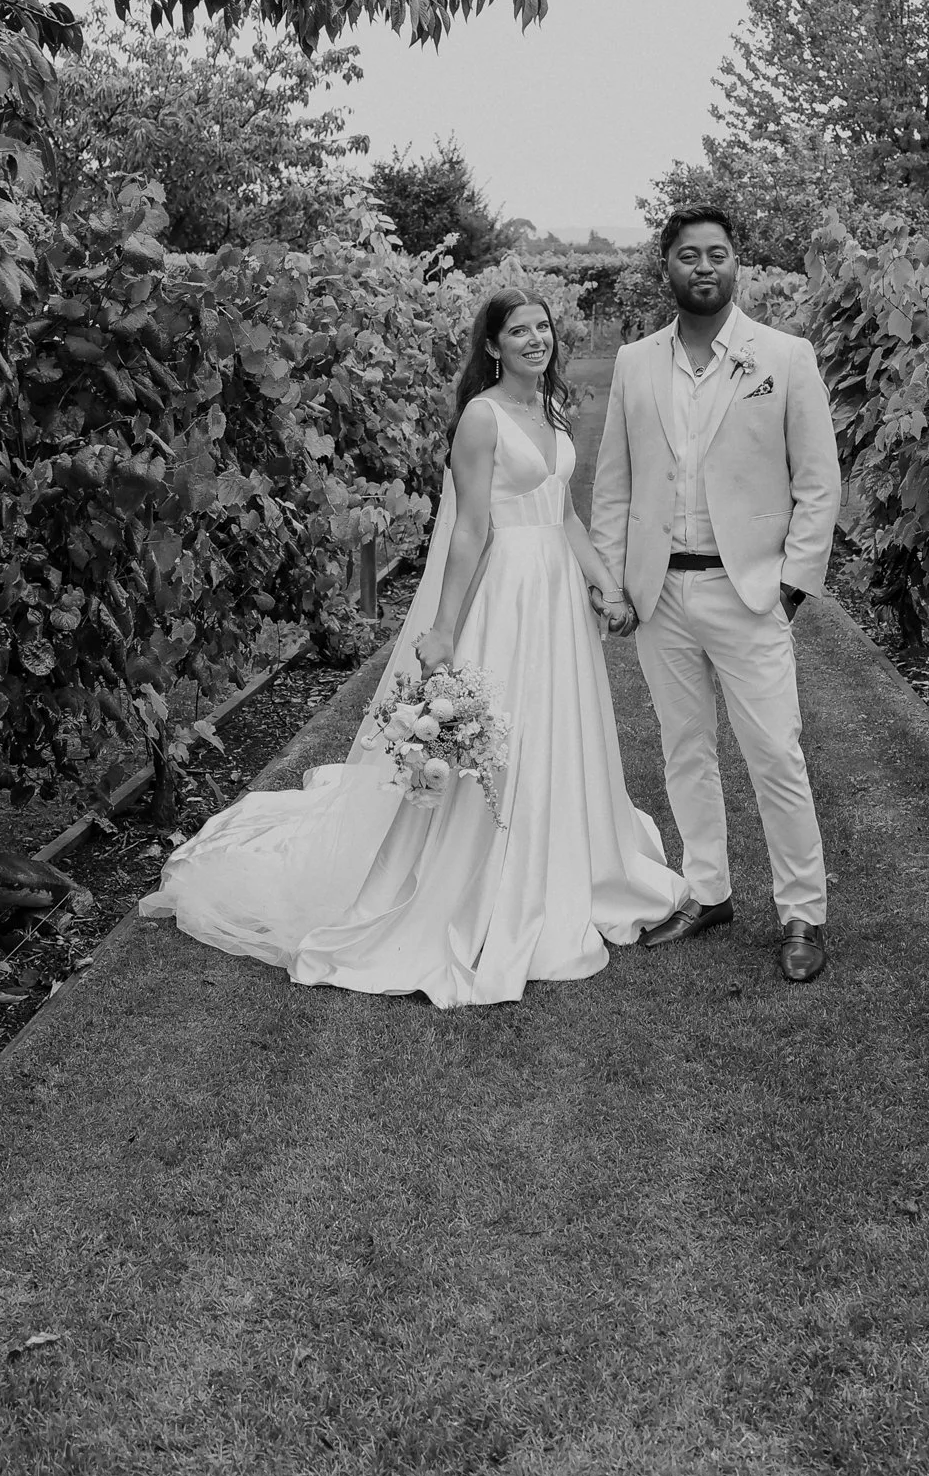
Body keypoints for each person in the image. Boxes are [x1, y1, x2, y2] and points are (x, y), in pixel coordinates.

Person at [139, 288, 683, 1006]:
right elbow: (467, 531)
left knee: (559, 726)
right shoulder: (481, 419)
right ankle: (487, 873)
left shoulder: (548, 411)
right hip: (510, 592)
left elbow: (564, 514)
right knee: (508, 728)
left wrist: (603, 584)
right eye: (517, 331)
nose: (533, 340)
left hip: (556, 594)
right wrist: (447, 628)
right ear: (491, 347)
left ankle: (567, 854)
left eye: (541, 328)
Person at [590, 207, 842, 983]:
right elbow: (613, 487)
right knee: (683, 748)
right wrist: (615, 583)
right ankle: (707, 891)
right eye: (688, 255)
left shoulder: (784, 356)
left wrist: (791, 587)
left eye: (718, 255)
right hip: (659, 590)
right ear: (664, 266)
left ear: (739, 266)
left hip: (748, 591)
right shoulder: (636, 362)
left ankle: (802, 913)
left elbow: (818, 483)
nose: (704, 267)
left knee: (774, 753)